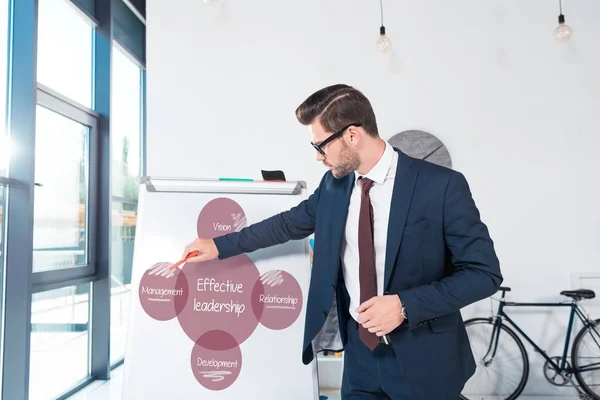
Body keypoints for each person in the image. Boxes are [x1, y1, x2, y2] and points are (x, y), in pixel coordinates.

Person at [182, 84, 503, 399]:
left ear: (352, 135)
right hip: (360, 358)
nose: (319, 157)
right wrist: (219, 245)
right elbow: (289, 224)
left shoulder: (441, 185)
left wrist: (405, 306)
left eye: (320, 145)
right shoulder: (334, 186)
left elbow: (483, 274)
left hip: (425, 359)